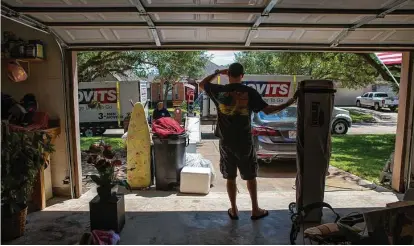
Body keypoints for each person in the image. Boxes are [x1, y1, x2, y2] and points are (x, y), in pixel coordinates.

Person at [199, 63, 298, 220]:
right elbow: (268, 110)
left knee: (230, 177)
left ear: (228, 74)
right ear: (242, 75)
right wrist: (290, 102)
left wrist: (217, 72)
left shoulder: (220, 91)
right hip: (244, 141)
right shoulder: (249, 92)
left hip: (226, 142)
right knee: (250, 176)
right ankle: (255, 209)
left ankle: (234, 209)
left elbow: (202, 84)